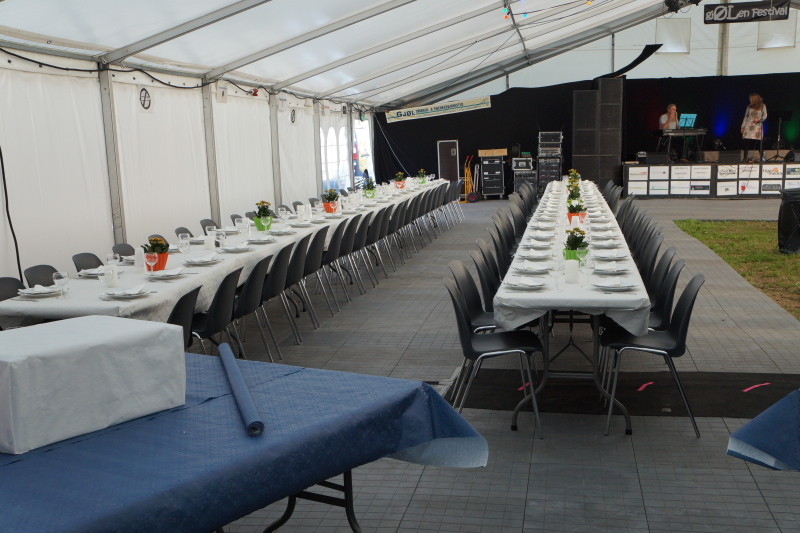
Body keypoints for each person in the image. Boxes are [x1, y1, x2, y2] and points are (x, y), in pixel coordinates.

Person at [741, 93, 767, 162]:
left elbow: (765, 116)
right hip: (749, 126)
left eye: (751, 99)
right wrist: (743, 126)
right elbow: (746, 116)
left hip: (757, 126)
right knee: (746, 142)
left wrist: (759, 119)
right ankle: (745, 157)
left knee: (759, 142)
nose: (749, 100)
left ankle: (762, 157)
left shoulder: (762, 106)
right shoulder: (749, 106)